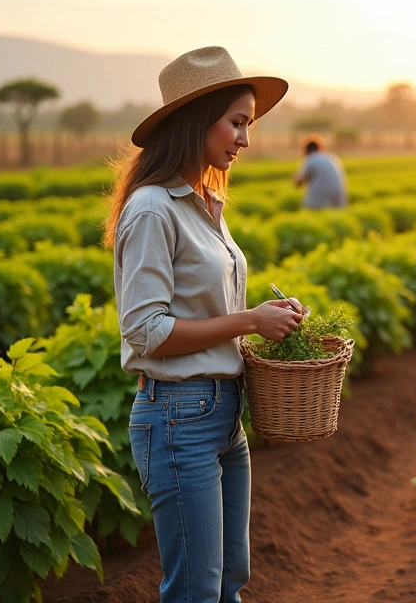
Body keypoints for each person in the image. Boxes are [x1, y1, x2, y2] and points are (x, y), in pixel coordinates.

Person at [106, 46, 306, 603]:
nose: (245, 139)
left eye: (248, 124)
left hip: (221, 411)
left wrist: (272, 319)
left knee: (228, 579)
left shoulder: (205, 203)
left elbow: (206, 311)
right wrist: (248, 320)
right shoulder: (152, 209)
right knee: (196, 588)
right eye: (237, 123)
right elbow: (147, 330)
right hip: (177, 417)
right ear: (198, 123)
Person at [292, 133, 349, 209]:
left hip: (320, 201)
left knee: (307, 209)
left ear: (306, 149)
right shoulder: (332, 157)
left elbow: (298, 182)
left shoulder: (311, 159)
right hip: (340, 199)